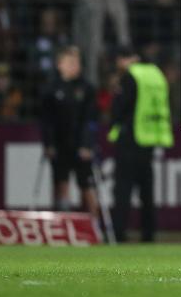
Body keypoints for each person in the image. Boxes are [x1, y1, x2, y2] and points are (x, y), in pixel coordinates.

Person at [108, 46, 173, 242]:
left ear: (127, 59)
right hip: (150, 139)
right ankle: (149, 233)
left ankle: (118, 233)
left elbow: (120, 108)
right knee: (147, 190)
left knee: (123, 188)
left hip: (130, 137)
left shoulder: (130, 76)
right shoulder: (156, 75)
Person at [39, 46, 99, 218]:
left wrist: (87, 144)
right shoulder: (51, 89)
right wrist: (48, 143)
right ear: (60, 64)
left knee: (86, 185)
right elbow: (46, 121)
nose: (74, 65)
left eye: (77, 62)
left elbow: (90, 120)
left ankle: (95, 225)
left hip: (81, 144)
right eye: (70, 62)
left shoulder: (87, 88)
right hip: (60, 144)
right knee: (60, 183)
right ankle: (63, 222)